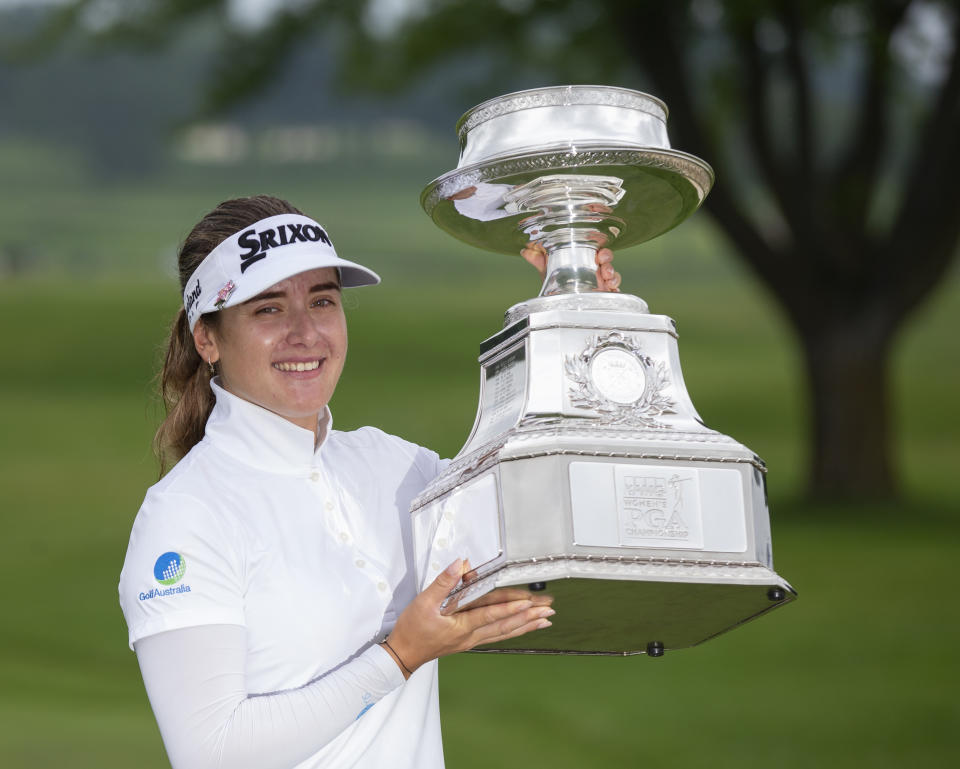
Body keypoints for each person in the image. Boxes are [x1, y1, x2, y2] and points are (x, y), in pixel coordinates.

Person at [118, 195, 620, 769]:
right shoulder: (185, 514)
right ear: (207, 338)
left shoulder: (394, 468)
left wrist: (580, 324)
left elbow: (550, 512)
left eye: (323, 301)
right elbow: (213, 752)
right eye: (268, 310)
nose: (306, 333)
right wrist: (399, 656)